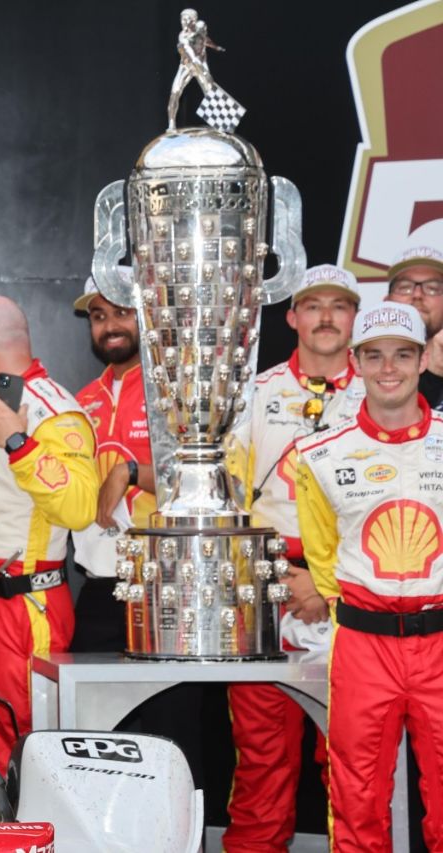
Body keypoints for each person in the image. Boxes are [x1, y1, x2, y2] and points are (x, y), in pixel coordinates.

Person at [222, 265, 362, 852]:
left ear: (354, 317)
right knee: (263, 759)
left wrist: (328, 584)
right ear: (292, 317)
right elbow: (226, 496)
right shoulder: (255, 394)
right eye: (314, 305)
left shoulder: (381, 389)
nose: (326, 317)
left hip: (352, 591)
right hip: (266, 583)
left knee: (353, 762)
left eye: (339, 306)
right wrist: (281, 573)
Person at [296, 300, 443, 851]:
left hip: (441, 638)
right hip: (363, 643)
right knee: (356, 800)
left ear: (424, 358)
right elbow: (322, 554)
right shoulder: (319, 453)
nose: (389, 368)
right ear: (355, 362)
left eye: (402, 354)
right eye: (375, 355)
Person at [0, 295, 98, 770]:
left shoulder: (55, 410)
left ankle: (22, 846)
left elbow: (79, 506)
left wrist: (19, 441)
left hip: (21, 607)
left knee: (18, 749)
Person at [68, 272, 155, 651]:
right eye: (99, 316)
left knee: (172, 713)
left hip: (162, 585)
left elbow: (207, 480)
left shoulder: (172, 392)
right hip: (99, 585)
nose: (110, 326)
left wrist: (130, 472)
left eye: (122, 312)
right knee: (87, 710)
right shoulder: (80, 401)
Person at [384, 245, 443, 410]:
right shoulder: (361, 365)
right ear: (386, 302)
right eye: (405, 287)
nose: (417, 295)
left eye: (432, 288)